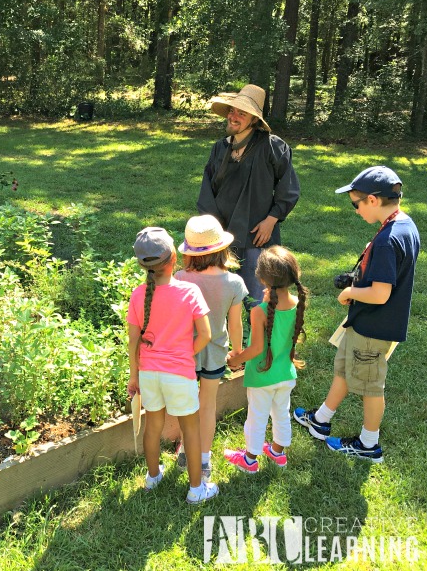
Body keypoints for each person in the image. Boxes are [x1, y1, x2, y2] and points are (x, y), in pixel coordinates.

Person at [294, 166, 420, 463]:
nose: (355, 211)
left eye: (356, 203)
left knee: (370, 387)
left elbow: (381, 294)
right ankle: (321, 420)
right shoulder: (404, 225)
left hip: (375, 327)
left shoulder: (389, 239)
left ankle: (368, 444)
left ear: (374, 200)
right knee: (345, 369)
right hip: (364, 321)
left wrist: (350, 293)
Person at [126, 227, 219, 504]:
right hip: (179, 373)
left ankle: (153, 477)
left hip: (149, 373)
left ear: (143, 265)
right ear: (174, 258)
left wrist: (134, 376)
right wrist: (184, 354)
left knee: (153, 425)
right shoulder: (189, 291)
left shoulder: (136, 294)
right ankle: (196, 490)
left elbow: (132, 342)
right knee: (190, 428)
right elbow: (206, 335)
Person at [197, 84, 300, 309]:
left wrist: (272, 220)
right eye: (232, 111)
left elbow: (288, 187)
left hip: (257, 235)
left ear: (254, 120)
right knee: (220, 298)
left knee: (258, 299)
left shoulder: (273, 147)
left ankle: (259, 342)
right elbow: (208, 191)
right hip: (222, 236)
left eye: (241, 114)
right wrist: (213, 231)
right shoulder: (220, 148)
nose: (233, 117)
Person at [173, 215, 248, 480]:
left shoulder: (180, 277)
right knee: (207, 406)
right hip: (216, 354)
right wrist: (237, 353)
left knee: (187, 404)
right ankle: (204, 460)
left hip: (185, 353)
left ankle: (185, 451)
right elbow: (235, 324)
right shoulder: (234, 283)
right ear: (222, 248)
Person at [224, 246, 308, 473]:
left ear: (261, 278)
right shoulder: (297, 303)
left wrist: (236, 359)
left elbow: (257, 348)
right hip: (286, 375)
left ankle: (250, 460)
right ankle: (278, 453)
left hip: (262, 376)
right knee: (282, 414)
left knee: (257, 418)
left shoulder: (259, 311)